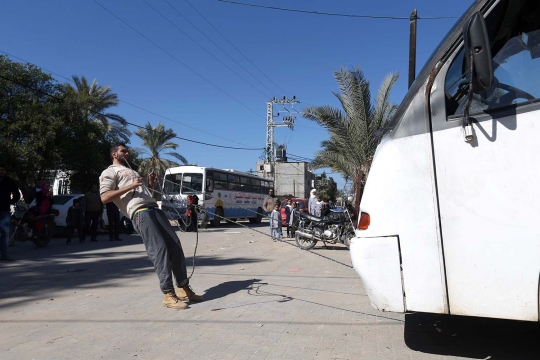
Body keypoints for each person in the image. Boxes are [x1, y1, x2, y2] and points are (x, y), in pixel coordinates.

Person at [100, 143, 203, 310]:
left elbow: (145, 194)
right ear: (114, 154)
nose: (127, 153)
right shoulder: (109, 172)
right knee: (159, 250)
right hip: (140, 213)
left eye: (127, 151)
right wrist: (131, 186)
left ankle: (183, 288)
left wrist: (151, 184)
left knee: (175, 246)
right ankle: (168, 294)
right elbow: (105, 197)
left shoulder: (132, 171)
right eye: (123, 151)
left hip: (154, 208)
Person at [0, 165, 20, 261]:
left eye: (2, 170)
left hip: (4, 210)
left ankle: (4, 254)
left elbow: (17, 194)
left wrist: (10, 201)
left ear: (5, 171)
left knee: (5, 232)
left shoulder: (10, 182)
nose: (0, 171)